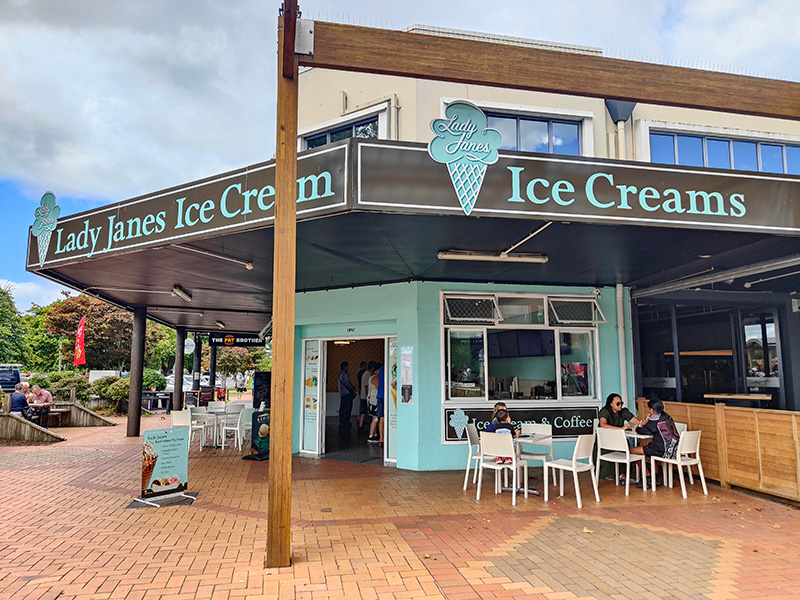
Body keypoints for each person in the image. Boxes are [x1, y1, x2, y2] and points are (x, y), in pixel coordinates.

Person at [631, 398, 680, 480]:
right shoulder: (667, 417)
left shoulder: (654, 420)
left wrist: (639, 426)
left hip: (662, 450)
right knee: (652, 449)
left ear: (652, 410)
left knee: (632, 451)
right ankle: (655, 475)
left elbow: (643, 431)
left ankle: (647, 475)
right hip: (674, 450)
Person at [337, 362, 355, 432]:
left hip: (343, 393)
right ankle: (345, 421)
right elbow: (347, 384)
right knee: (347, 408)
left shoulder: (340, 374)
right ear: (345, 367)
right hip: (346, 393)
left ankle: (342, 421)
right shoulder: (344, 374)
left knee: (343, 408)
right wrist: (352, 389)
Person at [367, 362, 381, 443]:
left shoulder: (371, 377)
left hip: (371, 399)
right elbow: (378, 387)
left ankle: (374, 434)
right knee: (375, 418)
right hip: (375, 400)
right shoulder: (375, 378)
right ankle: (371, 435)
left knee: (374, 417)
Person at [356, 361, 369, 435]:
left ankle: (361, 419)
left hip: (362, 390)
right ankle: (360, 419)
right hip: (363, 391)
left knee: (362, 406)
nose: (366, 367)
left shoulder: (362, 374)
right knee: (362, 407)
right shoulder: (362, 374)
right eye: (365, 365)